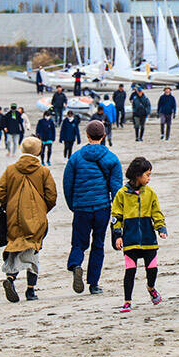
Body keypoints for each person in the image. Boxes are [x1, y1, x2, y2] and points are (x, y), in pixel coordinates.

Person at [63, 120, 123, 296]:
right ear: (103, 136)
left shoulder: (75, 158)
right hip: (102, 207)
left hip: (82, 207)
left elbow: (67, 184)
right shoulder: (111, 158)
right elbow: (117, 188)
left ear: (87, 135)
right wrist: (117, 211)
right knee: (98, 244)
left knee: (79, 242)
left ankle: (76, 264)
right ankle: (94, 284)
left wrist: (73, 205)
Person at [0, 137, 57, 303]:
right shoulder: (43, 171)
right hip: (37, 217)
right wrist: (42, 209)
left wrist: (8, 204)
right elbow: (51, 195)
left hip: (14, 215)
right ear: (38, 151)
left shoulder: (10, 170)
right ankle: (30, 290)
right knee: (33, 249)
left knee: (15, 246)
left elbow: (0, 189)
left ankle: (10, 278)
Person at [111, 156, 166, 313]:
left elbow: (156, 212)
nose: (149, 178)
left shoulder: (150, 193)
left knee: (152, 268)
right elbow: (116, 216)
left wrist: (161, 228)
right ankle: (127, 301)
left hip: (148, 238)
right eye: (147, 175)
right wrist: (118, 235)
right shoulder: (122, 194)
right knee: (130, 270)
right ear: (137, 175)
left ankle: (151, 287)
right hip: (130, 239)